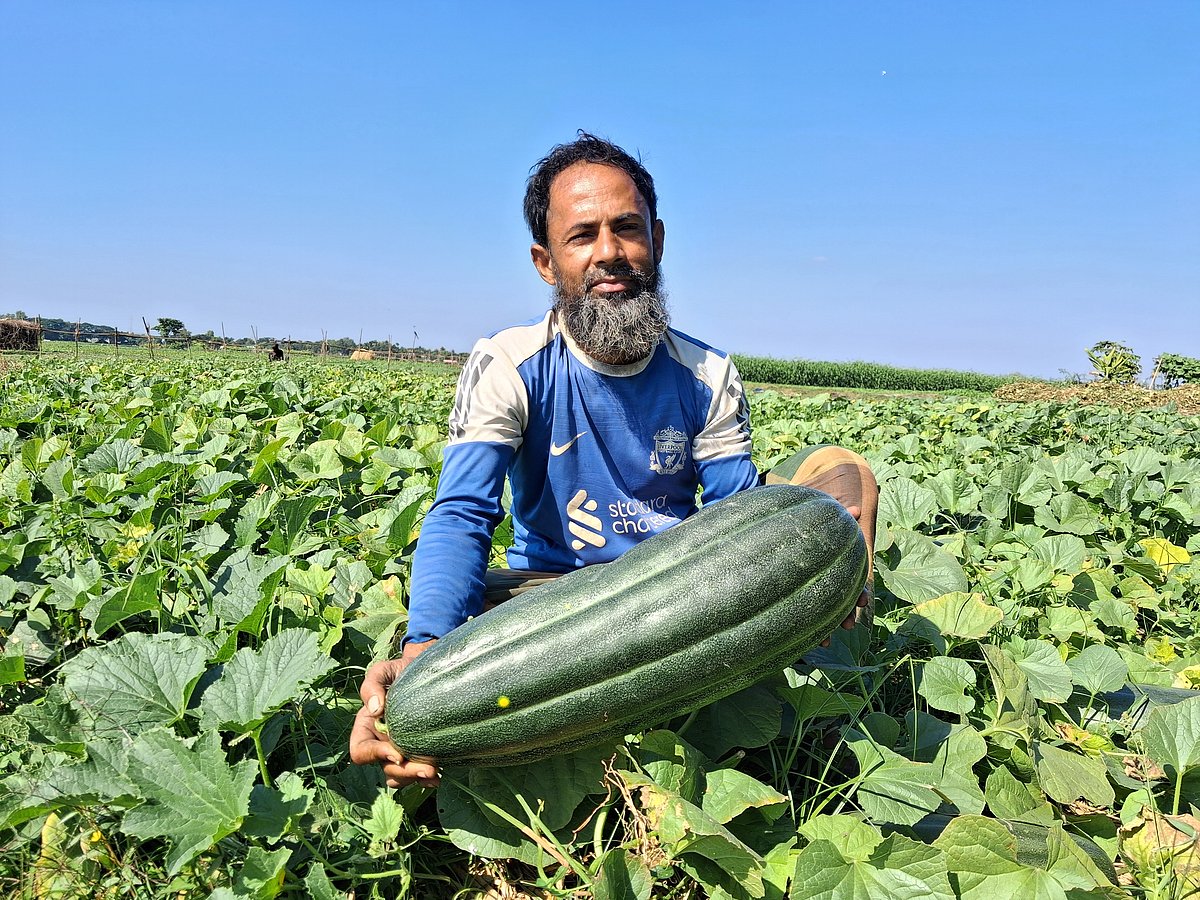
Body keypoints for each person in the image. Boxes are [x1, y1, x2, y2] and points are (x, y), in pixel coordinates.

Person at [349, 133, 877, 789]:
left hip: (681, 600)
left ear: (656, 239)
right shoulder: (510, 364)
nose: (610, 253)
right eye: (583, 236)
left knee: (845, 478)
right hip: (553, 601)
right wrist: (425, 645)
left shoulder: (707, 372)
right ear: (547, 262)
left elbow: (740, 515)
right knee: (436, 665)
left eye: (627, 230)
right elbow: (463, 514)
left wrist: (809, 580)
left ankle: (824, 650)